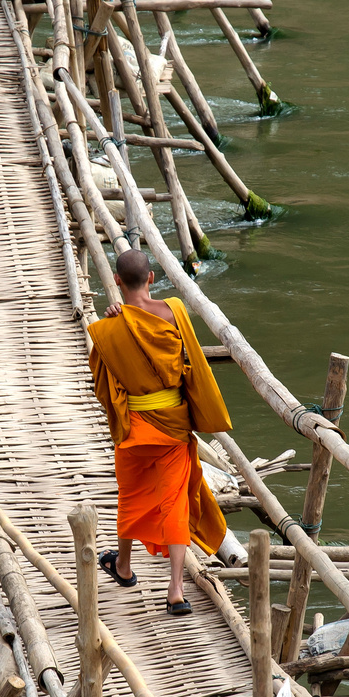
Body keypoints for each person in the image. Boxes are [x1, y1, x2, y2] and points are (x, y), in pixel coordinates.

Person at [86, 249, 231, 615]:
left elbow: (102, 386)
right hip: (174, 426)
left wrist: (116, 324)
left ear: (117, 282)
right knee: (175, 503)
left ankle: (123, 566)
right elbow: (193, 365)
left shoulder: (106, 330)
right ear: (152, 278)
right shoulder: (175, 311)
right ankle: (176, 588)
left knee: (130, 497)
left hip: (135, 429)